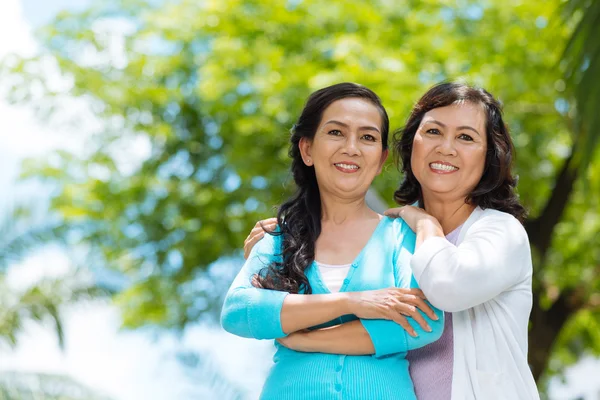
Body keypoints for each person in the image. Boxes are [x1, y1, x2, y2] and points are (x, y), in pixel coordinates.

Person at [243, 82, 540, 399]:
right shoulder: (389, 235)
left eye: (466, 137)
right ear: (412, 144)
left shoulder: (501, 232)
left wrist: (426, 225)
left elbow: (447, 287)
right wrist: (275, 252)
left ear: (489, 157)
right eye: (434, 132)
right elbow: (341, 305)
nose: (446, 148)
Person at [220, 82, 444, 400]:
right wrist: (353, 303)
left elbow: (423, 322)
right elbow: (239, 311)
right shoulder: (278, 238)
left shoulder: (400, 235)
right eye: (336, 132)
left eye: (367, 137)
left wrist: (305, 337)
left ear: (380, 161)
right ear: (307, 149)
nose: (351, 147)